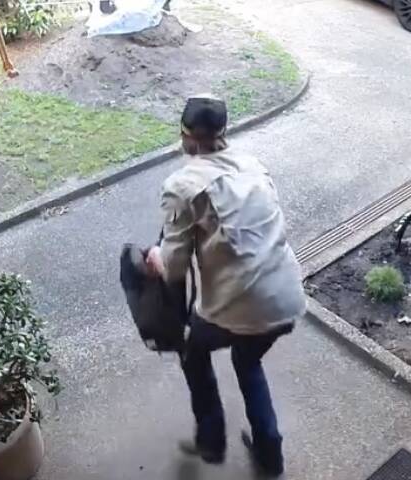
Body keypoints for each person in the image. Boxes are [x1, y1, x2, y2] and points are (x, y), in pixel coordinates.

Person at [146, 95, 306, 477]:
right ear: (224, 132)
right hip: (286, 300)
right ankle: (271, 457)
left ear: (185, 138)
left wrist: (156, 259)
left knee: (192, 351)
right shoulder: (254, 165)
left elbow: (174, 268)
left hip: (237, 307)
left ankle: (211, 440)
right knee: (247, 359)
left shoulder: (183, 185)